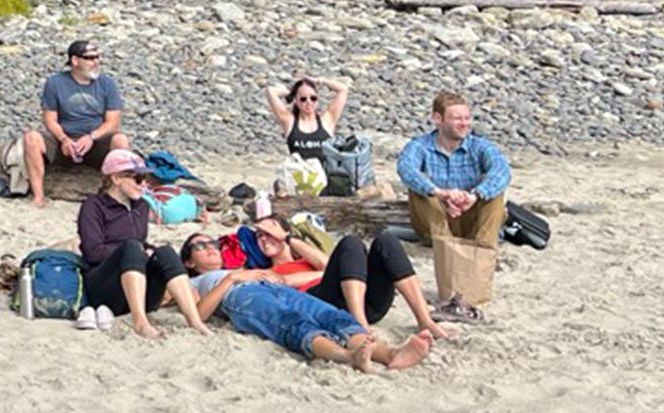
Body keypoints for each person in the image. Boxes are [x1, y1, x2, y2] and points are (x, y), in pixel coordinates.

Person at [182, 234, 435, 373]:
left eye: (213, 243)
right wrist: (231, 279)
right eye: (200, 245)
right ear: (189, 262)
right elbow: (198, 314)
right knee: (291, 323)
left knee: (332, 317)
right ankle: (348, 357)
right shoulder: (195, 281)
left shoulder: (246, 267)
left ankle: (389, 353)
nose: (211, 248)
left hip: (271, 286)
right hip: (240, 296)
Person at [247, 213, 450, 341]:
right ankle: (359, 324)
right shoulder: (270, 271)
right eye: (259, 236)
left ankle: (424, 320)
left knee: (386, 242)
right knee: (351, 243)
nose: (264, 238)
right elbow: (285, 283)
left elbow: (326, 264)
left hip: (365, 300)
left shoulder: (308, 258)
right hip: (325, 303)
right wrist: (330, 273)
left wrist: (289, 238)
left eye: (269, 231)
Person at [75, 150, 207, 339]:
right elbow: (92, 252)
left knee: (165, 252)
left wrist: (146, 250)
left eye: (145, 178)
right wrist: (132, 251)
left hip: (140, 288)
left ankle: (195, 321)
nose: (143, 184)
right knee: (131, 247)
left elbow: (141, 243)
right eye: (137, 179)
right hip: (104, 288)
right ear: (116, 179)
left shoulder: (142, 207)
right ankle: (140, 322)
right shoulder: (93, 206)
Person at [21, 39, 130, 206]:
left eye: (97, 57)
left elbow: (113, 122)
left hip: (95, 140)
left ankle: (116, 196)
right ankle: (38, 196)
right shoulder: (55, 82)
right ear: (75, 60)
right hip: (64, 139)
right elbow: (50, 119)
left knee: (120, 140)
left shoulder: (107, 83)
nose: (96, 62)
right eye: (90, 58)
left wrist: (91, 137)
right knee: (31, 138)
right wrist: (64, 139)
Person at [396, 91, 512, 248]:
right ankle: (447, 247)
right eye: (457, 119)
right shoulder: (420, 145)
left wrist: (475, 195)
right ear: (438, 119)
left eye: (467, 118)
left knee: (494, 192)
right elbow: (406, 168)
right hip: (437, 222)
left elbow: (502, 170)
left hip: (471, 218)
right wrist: (440, 193)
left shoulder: (480, 146)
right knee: (420, 191)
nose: (464, 124)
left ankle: (484, 247)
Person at [265, 76, 348, 164]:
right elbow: (270, 91)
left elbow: (343, 90)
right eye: (303, 99)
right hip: (299, 175)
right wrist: (291, 91)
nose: (309, 102)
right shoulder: (289, 122)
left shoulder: (327, 120)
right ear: (296, 101)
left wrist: (319, 81)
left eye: (313, 98)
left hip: (323, 176)